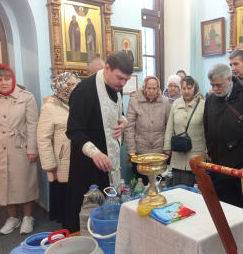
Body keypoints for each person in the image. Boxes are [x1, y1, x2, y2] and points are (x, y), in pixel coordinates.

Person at [66, 51, 133, 233]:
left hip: (110, 163)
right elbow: (74, 130)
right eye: (120, 78)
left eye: (126, 80)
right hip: (87, 165)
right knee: (88, 215)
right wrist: (95, 153)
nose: (122, 84)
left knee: (109, 213)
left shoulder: (116, 90)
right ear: (107, 68)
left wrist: (124, 121)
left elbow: (118, 115)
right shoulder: (83, 91)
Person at [0, 64, 39, 235]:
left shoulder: (26, 97)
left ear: (13, 79)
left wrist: (32, 149)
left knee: (25, 183)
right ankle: (12, 218)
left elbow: (33, 125)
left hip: (21, 146)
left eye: (7, 78)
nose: (3, 82)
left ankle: (28, 217)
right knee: (2, 184)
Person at [204, 63, 243, 208]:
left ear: (229, 79)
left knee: (238, 203)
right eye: (212, 85)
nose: (215, 89)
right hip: (217, 160)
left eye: (218, 85)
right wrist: (210, 150)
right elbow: (207, 126)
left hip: (239, 160)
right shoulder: (212, 98)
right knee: (219, 202)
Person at [37, 71, 80, 231]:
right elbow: (43, 138)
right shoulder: (49, 107)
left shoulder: (77, 103)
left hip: (79, 157)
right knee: (66, 197)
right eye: (70, 84)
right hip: (61, 161)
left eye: (76, 84)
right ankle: (67, 230)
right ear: (60, 87)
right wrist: (49, 165)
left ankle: (76, 227)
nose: (74, 87)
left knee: (77, 195)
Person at [124, 75, 171, 185]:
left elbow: (169, 126)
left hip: (159, 152)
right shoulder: (134, 100)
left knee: (158, 183)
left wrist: (167, 147)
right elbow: (129, 127)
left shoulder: (165, 102)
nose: (151, 91)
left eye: (154, 88)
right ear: (144, 87)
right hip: (140, 152)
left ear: (158, 89)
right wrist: (131, 151)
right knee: (142, 183)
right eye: (149, 88)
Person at [164, 76, 205, 187]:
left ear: (195, 88)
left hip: (196, 153)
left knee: (195, 188)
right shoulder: (176, 104)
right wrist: (167, 146)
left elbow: (207, 130)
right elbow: (169, 127)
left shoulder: (203, 104)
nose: (186, 91)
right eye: (183, 88)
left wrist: (208, 151)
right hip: (178, 153)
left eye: (189, 88)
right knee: (177, 186)